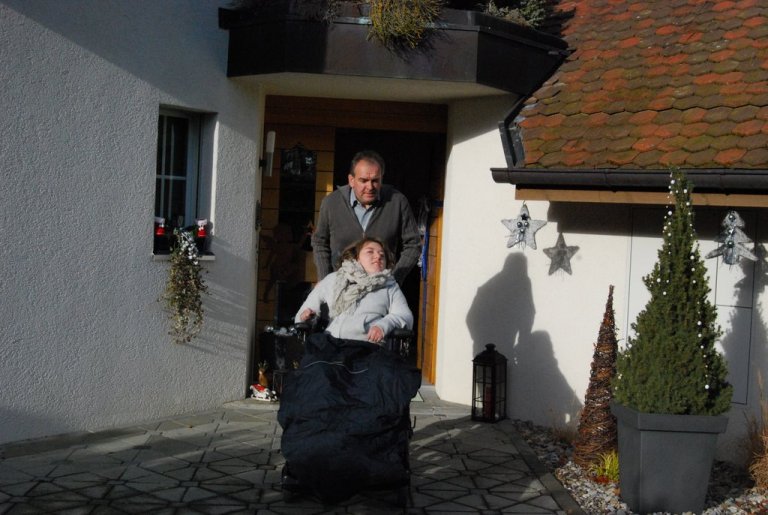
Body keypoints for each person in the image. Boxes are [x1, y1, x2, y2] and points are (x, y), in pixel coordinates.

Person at [311, 150, 421, 285]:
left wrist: (394, 279)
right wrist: (325, 280)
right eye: (363, 180)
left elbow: (414, 244)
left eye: (375, 181)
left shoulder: (397, 202)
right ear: (351, 180)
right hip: (340, 288)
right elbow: (319, 242)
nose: (370, 187)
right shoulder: (331, 203)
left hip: (381, 289)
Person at [295, 237, 413, 343]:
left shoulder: (390, 286)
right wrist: (306, 317)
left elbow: (405, 316)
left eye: (382, 255)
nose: (378, 256)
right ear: (357, 257)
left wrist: (383, 326)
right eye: (370, 252)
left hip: (367, 347)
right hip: (331, 344)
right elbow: (303, 312)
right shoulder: (334, 279)